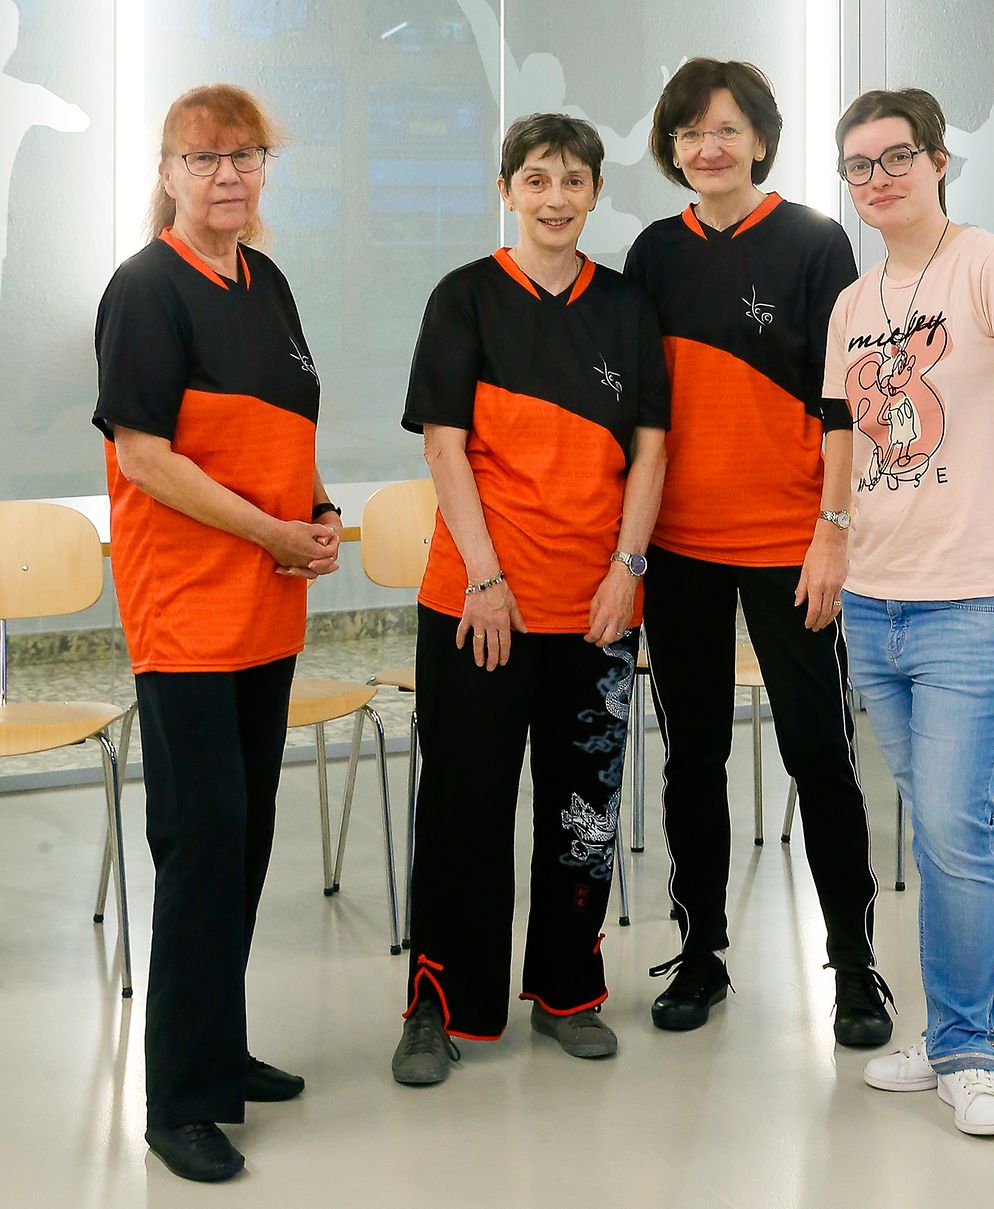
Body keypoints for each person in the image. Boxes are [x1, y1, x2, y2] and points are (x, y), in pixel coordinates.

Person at [825, 88, 994, 1136]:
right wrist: (836, 541)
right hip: (876, 601)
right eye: (859, 165)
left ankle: (966, 1050)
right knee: (948, 828)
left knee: (946, 823)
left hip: (983, 601)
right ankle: (985, 1035)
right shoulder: (855, 302)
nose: (878, 177)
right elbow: (848, 437)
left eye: (897, 156)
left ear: (938, 160)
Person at [93, 85, 340, 1182]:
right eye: (204, 158)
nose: (228, 174)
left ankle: (218, 1047)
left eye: (246, 155)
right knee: (201, 844)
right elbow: (144, 456)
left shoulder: (266, 281)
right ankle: (180, 1102)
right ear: (168, 172)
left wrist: (315, 511)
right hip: (187, 611)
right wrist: (272, 532)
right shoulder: (146, 289)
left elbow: (283, 429)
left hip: (264, 607)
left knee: (244, 837)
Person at [391, 113, 668, 1084]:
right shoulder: (463, 297)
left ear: (595, 193)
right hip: (479, 606)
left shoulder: (626, 307)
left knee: (583, 810)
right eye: (537, 180)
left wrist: (627, 568)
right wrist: (484, 576)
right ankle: (438, 1006)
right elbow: (444, 446)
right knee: (462, 809)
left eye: (574, 181)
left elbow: (650, 453)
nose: (556, 198)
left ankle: (568, 991)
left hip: (595, 607)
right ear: (506, 189)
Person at [623, 58, 892, 1045]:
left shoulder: (815, 242)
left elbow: (846, 402)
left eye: (727, 129)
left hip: (791, 544)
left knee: (819, 751)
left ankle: (853, 965)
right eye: (691, 132)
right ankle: (701, 952)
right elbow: (640, 407)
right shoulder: (654, 252)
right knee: (691, 756)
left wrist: (833, 531)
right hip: (680, 548)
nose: (709, 147)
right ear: (673, 149)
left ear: (762, 141)